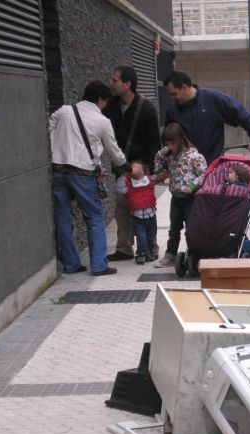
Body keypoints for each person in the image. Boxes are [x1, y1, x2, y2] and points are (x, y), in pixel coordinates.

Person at [49, 80, 127, 276]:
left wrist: (57, 147)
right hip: (83, 174)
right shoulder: (101, 121)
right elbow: (113, 150)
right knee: (94, 218)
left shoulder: (63, 111)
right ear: (101, 99)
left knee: (63, 219)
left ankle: (70, 264)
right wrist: (123, 164)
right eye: (105, 102)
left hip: (58, 171)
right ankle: (99, 265)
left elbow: (50, 128)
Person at [104, 65, 162, 262]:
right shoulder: (110, 107)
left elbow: (154, 143)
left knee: (144, 207)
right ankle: (124, 248)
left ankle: (151, 247)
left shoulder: (147, 108)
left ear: (127, 84)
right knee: (121, 208)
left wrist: (148, 171)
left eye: (115, 80)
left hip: (141, 167)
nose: (111, 83)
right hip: (121, 166)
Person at [163, 71, 250, 165]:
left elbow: (244, 116)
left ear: (184, 88)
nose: (172, 98)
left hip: (211, 166)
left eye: (174, 94)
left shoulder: (213, 100)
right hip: (185, 170)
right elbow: (168, 141)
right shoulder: (172, 111)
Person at [153, 123, 207, 268]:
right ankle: (170, 255)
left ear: (180, 139)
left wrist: (192, 186)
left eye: (172, 143)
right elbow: (158, 157)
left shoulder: (194, 156)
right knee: (174, 228)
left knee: (191, 229)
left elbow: (203, 174)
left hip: (191, 199)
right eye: (167, 144)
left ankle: (194, 254)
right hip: (176, 197)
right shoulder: (168, 153)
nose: (169, 146)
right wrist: (159, 172)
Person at [115, 161, 166, 264]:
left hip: (151, 215)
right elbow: (120, 189)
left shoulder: (149, 179)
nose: (136, 170)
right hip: (137, 217)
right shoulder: (128, 182)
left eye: (139, 169)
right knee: (141, 237)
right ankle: (142, 254)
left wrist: (164, 172)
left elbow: (159, 177)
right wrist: (123, 175)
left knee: (151, 236)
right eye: (133, 168)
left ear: (144, 171)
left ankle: (150, 251)